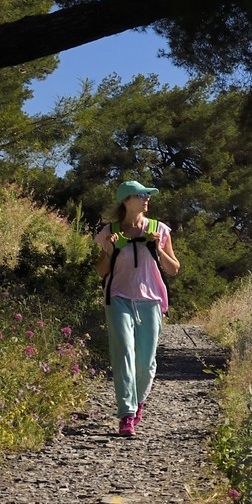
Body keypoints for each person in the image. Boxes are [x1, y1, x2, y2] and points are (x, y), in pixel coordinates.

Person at [95, 180, 180, 437]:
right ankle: (127, 414)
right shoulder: (109, 231)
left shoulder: (159, 229)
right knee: (123, 354)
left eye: (148, 195)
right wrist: (109, 251)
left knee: (145, 361)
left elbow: (174, 269)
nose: (146, 199)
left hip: (151, 300)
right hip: (118, 298)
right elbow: (100, 271)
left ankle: (139, 400)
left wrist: (157, 248)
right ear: (125, 200)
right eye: (141, 195)